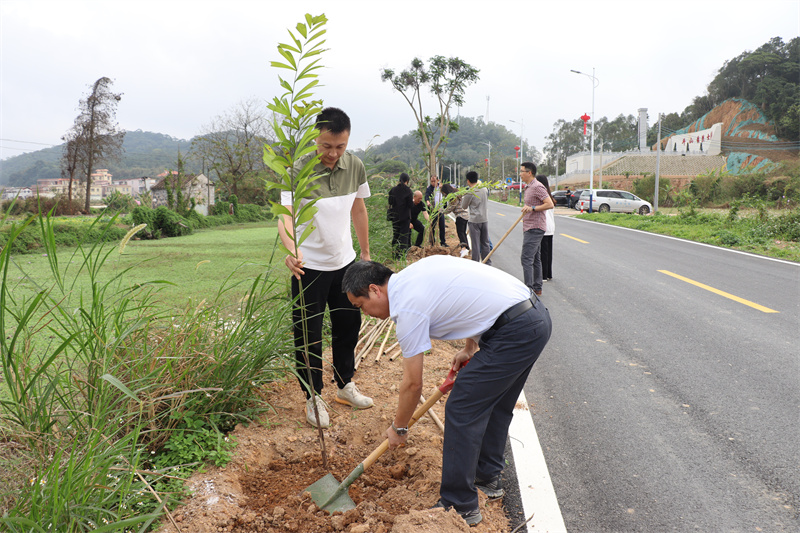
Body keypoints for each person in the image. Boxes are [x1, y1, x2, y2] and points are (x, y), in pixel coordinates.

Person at [342, 256, 552, 527]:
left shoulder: (407, 307)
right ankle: (487, 478)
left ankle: (460, 504)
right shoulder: (413, 276)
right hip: (532, 319)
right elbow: (472, 295)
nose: (365, 313)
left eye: (361, 306)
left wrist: (399, 427)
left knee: (461, 407)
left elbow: (412, 384)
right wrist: (469, 348)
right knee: (495, 403)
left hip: (515, 330)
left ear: (374, 290)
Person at [278, 107, 374, 429]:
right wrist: (292, 251)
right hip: (308, 269)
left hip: (345, 263)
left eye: (340, 146)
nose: (333, 153)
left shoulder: (355, 166)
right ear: (314, 139)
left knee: (348, 327)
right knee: (308, 334)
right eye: (326, 146)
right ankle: (313, 396)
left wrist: (365, 253)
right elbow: (286, 215)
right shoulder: (297, 170)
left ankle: (345, 385)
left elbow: (358, 209)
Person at [519, 162, 554, 296]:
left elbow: (549, 204)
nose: (520, 174)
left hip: (535, 227)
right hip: (529, 226)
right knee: (535, 258)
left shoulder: (537, 186)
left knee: (526, 258)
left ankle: (528, 289)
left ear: (529, 173)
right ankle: (537, 288)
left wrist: (532, 208)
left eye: (522, 171)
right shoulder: (528, 187)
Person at [461, 171, 492, 265]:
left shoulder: (470, 192)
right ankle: (487, 263)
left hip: (474, 221)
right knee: (485, 243)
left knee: (475, 245)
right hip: (484, 219)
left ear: (468, 180)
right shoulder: (484, 189)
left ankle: (475, 264)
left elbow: (464, 206)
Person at [387, 173, 414, 257]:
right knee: (404, 236)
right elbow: (410, 205)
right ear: (407, 181)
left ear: (399, 180)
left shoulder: (393, 190)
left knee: (396, 235)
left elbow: (390, 202)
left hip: (395, 217)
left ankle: (394, 254)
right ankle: (401, 256)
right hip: (405, 217)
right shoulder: (408, 191)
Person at [536, 175, 555, 281]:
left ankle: (543, 275)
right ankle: (548, 274)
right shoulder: (549, 195)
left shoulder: (542, 196)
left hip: (543, 226)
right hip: (550, 227)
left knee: (542, 252)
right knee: (548, 252)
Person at [441, 183, 469, 250]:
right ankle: (467, 248)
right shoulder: (457, 193)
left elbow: (450, 208)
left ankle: (464, 248)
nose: (444, 195)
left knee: (460, 233)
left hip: (460, 216)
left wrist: (441, 211)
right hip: (465, 216)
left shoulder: (454, 197)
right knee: (463, 233)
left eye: (444, 193)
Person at [424, 176, 447, 246]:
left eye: (434, 181)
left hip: (440, 210)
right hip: (433, 210)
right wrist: (428, 202)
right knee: (432, 226)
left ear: (438, 180)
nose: (433, 183)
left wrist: (442, 189)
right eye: (432, 181)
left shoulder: (441, 187)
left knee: (442, 226)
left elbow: (446, 194)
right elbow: (427, 196)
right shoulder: (429, 188)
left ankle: (442, 242)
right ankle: (432, 242)